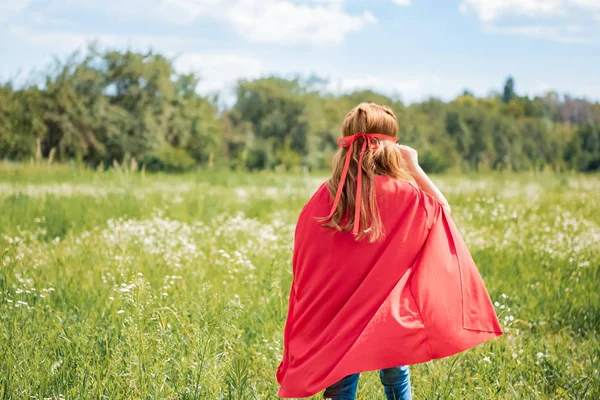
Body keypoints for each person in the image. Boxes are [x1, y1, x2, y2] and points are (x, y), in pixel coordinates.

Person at [275, 103, 504, 400]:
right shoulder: (405, 195)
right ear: (391, 148)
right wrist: (414, 166)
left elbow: (308, 258)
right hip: (386, 310)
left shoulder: (326, 196)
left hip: (335, 312)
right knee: (395, 360)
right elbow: (442, 211)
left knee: (340, 376)